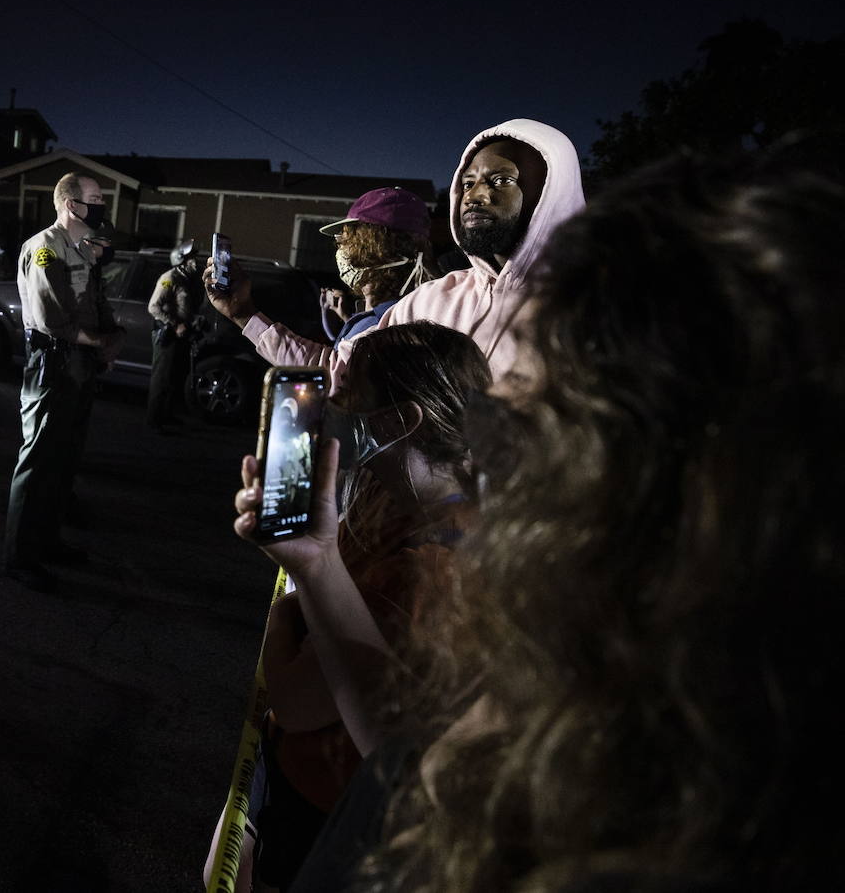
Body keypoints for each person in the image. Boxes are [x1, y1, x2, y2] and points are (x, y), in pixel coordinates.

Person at [302, 144, 845, 891]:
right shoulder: (585, 653)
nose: (495, 415)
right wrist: (318, 565)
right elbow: (415, 770)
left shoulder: (664, 817)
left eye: (551, 384)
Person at [220, 323, 490, 891]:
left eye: (350, 393)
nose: (333, 404)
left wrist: (285, 612)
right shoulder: (390, 492)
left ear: (400, 420)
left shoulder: (425, 570)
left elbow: (295, 700)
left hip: (329, 806)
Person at [206, 119, 584, 384]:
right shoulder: (433, 303)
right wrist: (244, 315)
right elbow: (337, 372)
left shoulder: (598, 315)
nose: (477, 195)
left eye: (501, 180)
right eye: (468, 183)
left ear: (551, 195)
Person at [3, 172, 125, 591]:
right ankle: (19, 556)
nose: (101, 206)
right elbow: (53, 320)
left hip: (79, 364)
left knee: (65, 460)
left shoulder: (83, 251)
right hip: (52, 364)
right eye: (94, 199)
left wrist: (109, 339)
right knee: (37, 461)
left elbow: (94, 306)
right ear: (71, 204)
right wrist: (100, 342)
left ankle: (47, 542)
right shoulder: (45, 249)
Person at [315, 187, 438, 347]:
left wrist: (271, 334)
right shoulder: (417, 309)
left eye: (347, 240)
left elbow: (333, 367)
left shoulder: (386, 326)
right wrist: (347, 318)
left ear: (377, 247)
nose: (341, 248)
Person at [145, 238, 204, 431]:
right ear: (181, 260)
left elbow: (187, 306)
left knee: (174, 378)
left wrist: (193, 322)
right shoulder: (170, 277)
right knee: (161, 379)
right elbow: (153, 307)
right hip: (167, 334)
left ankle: (167, 415)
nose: (195, 261)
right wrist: (175, 323)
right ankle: (154, 421)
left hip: (182, 334)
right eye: (191, 258)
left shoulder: (189, 279)